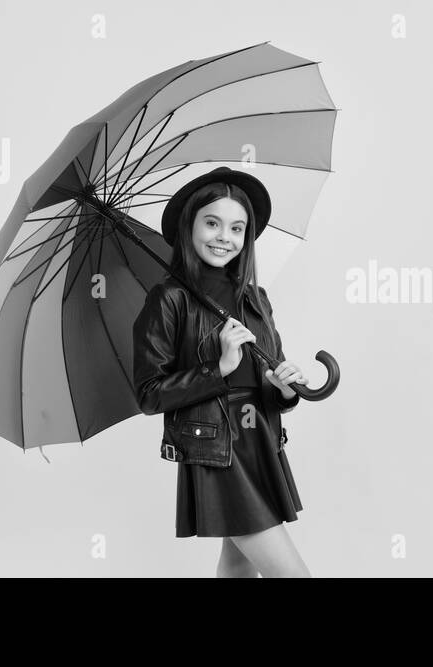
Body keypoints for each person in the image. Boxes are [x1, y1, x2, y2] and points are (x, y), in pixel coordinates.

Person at [132, 167, 311, 578]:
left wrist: (284, 389)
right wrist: (218, 368)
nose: (223, 237)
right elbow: (149, 393)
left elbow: (267, 378)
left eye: (236, 227)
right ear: (189, 225)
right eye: (211, 222)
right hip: (219, 452)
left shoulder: (255, 297)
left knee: (238, 567)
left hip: (262, 444)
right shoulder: (168, 299)